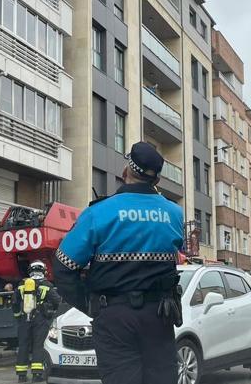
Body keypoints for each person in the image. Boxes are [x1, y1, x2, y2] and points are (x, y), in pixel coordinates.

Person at [53, 142, 185, 384]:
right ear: (156, 180)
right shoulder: (175, 214)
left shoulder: (98, 213)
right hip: (159, 316)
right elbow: (180, 251)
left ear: (126, 171)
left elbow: (63, 267)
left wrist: (89, 304)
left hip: (114, 318)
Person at [12, 261, 61, 382]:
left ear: (30, 271)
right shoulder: (46, 285)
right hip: (40, 319)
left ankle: (21, 376)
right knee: (38, 345)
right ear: (43, 271)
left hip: (24, 318)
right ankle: (37, 375)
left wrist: (18, 316)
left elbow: (14, 303)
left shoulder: (22, 285)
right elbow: (57, 301)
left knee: (23, 345)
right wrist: (51, 312)